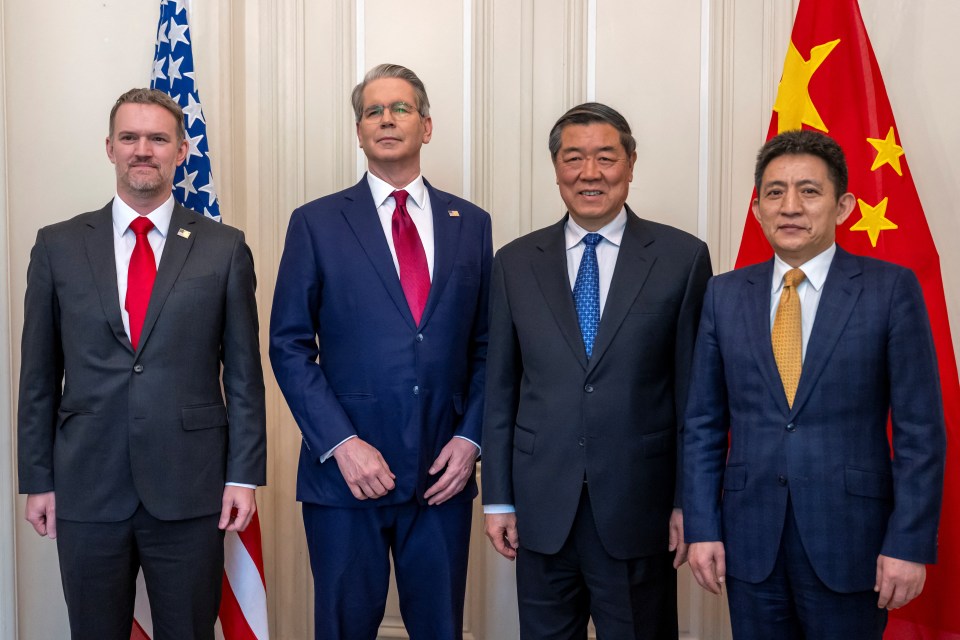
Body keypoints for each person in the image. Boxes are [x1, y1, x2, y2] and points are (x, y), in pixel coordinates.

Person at [17, 88, 266, 640]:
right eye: (129, 137)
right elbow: (37, 376)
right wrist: (38, 478)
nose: (142, 149)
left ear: (181, 150)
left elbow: (245, 376)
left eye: (158, 138)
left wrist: (243, 476)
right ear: (109, 148)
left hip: (191, 488)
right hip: (86, 486)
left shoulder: (224, 248)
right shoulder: (57, 246)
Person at [684, 129, 946, 638]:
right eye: (775, 192)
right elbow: (702, 425)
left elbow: (921, 433)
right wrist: (702, 527)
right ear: (758, 207)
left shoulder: (890, 289)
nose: (791, 206)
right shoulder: (724, 295)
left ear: (843, 205)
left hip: (854, 541)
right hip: (749, 541)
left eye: (809, 190)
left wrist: (909, 543)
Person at [269, 63, 492, 640]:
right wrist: (341, 445)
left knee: (440, 628)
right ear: (360, 130)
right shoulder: (315, 222)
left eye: (401, 108)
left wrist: (470, 441)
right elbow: (289, 346)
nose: (387, 119)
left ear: (427, 126)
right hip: (344, 479)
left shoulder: (471, 224)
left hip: (443, 475)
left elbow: (490, 348)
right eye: (374, 111)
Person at [482, 102, 713, 639]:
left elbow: (695, 397)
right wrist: (498, 498)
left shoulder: (682, 258)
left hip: (641, 507)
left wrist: (689, 502)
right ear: (556, 168)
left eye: (606, 158)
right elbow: (500, 390)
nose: (590, 173)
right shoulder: (515, 263)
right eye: (574, 159)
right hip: (542, 510)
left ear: (631, 164)